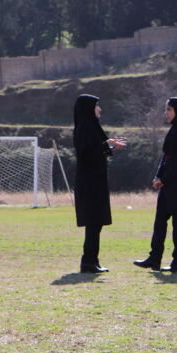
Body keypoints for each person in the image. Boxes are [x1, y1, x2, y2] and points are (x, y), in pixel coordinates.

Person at [134, 97, 177, 274]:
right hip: (168, 184)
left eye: (169, 109)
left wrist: (164, 178)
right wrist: (158, 176)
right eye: (166, 109)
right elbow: (166, 157)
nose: (166, 113)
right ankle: (154, 258)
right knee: (159, 223)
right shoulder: (174, 130)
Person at [73, 94, 126, 273]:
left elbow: (96, 150)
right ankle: (88, 262)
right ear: (88, 108)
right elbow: (88, 153)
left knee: (96, 222)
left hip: (95, 181)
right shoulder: (85, 128)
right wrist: (106, 145)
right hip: (89, 183)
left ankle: (92, 260)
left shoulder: (90, 127)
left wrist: (109, 147)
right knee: (93, 222)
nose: (99, 109)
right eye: (96, 106)